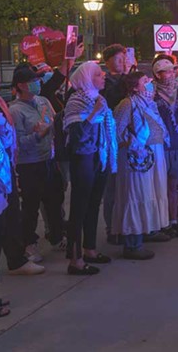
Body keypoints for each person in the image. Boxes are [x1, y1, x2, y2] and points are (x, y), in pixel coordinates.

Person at [63, 61, 118, 275]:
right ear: (86, 78)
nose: (103, 76)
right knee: (79, 207)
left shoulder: (99, 99)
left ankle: (90, 249)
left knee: (93, 204)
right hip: (83, 159)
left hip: (99, 157)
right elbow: (77, 138)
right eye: (97, 74)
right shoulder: (76, 102)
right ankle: (75, 259)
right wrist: (94, 114)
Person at [9, 64, 65, 263]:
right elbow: (17, 143)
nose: (37, 84)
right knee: (31, 205)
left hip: (48, 159)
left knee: (54, 200)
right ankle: (28, 244)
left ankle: (57, 236)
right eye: (32, 82)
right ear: (21, 85)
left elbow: (54, 121)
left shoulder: (42, 101)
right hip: (29, 163)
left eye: (37, 80)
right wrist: (36, 135)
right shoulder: (15, 111)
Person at [113, 71, 169, 260]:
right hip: (135, 160)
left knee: (149, 193)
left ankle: (147, 229)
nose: (150, 83)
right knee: (136, 195)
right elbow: (116, 132)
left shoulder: (149, 104)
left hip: (150, 156)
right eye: (145, 81)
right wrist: (134, 144)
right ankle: (132, 243)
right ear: (135, 86)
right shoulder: (127, 104)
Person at [153, 59, 178, 238]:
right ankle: (161, 221)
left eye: (172, 71)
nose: (171, 74)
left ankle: (173, 220)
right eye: (166, 71)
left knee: (173, 185)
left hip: (176, 141)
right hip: (159, 144)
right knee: (160, 187)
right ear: (158, 75)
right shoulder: (152, 93)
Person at [100, 44, 127, 245]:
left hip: (129, 140)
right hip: (111, 138)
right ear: (108, 60)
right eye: (119, 59)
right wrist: (125, 75)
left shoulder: (127, 78)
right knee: (112, 186)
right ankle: (111, 228)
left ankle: (126, 225)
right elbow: (112, 98)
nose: (123, 63)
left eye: (124, 59)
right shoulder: (105, 81)